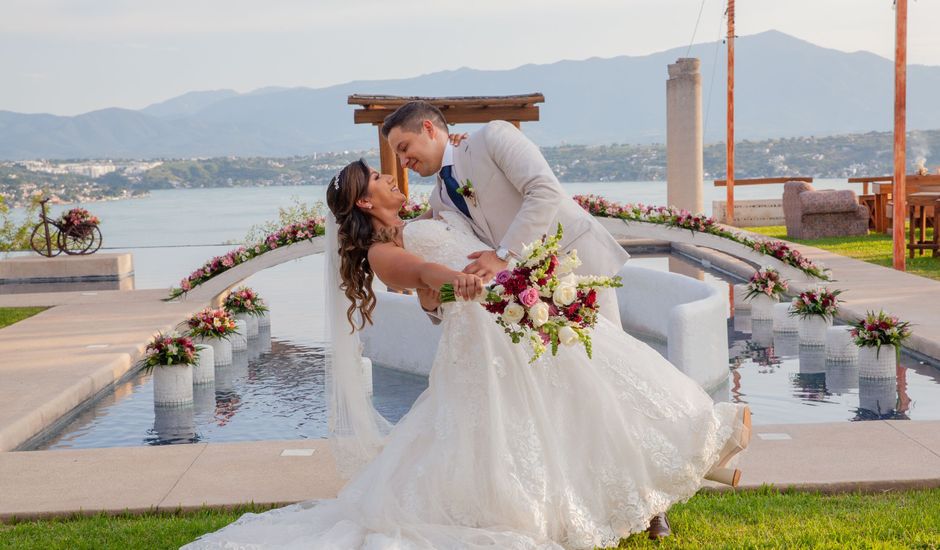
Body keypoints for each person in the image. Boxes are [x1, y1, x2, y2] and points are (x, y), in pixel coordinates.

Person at [183, 160, 751, 550]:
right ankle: (643, 494)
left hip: (514, 322)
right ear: (364, 199)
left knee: (588, 400)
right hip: (483, 339)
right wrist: (458, 281)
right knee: (516, 428)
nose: (393, 176)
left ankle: (660, 488)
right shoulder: (384, 252)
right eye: (382, 176)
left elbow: (459, 262)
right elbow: (426, 277)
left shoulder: (429, 219)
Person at [383, 101, 629, 328]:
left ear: (428, 128)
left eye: (404, 148)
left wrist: (502, 254)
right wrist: (431, 306)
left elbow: (544, 190)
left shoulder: (491, 137)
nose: (403, 162)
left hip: (578, 264)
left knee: (613, 358)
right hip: (532, 297)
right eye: (398, 155)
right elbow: (423, 241)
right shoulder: (439, 200)